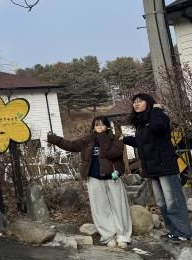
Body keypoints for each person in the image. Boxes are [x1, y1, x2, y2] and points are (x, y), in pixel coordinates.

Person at [48, 116, 133, 248]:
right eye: (96, 125)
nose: (99, 127)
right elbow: (71, 145)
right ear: (93, 127)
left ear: (107, 126)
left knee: (119, 206)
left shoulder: (116, 139)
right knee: (100, 208)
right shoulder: (87, 140)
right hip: (94, 177)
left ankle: (123, 236)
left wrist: (102, 137)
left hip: (112, 177)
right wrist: (55, 139)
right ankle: (108, 236)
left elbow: (113, 153)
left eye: (102, 124)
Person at [123, 94, 192, 242]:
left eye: (140, 101)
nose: (136, 104)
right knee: (162, 203)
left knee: (173, 201)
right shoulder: (141, 123)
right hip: (152, 169)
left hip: (165, 166)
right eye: (134, 102)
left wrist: (156, 109)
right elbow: (144, 142)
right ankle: (173, 231)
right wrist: (126, 139)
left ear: (148, 103)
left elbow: (157, 127)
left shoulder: (159, 117)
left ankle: (183, 232)